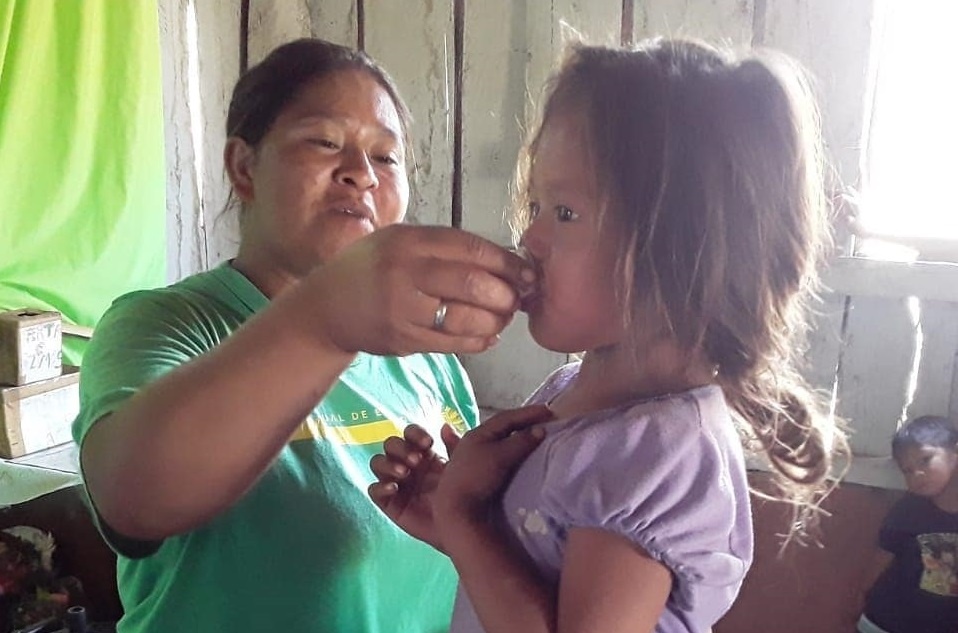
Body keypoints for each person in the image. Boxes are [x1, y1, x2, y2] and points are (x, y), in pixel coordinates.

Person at [369, 38, 847, 633]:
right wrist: (461, 523)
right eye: (534, 205)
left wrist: (468, 518)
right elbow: (540, 577)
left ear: (680, 251)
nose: (531, 240)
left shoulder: (656, 455)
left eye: (565, 213)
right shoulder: (574, 389)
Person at [72, 38, 537, 633]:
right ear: (244, 168)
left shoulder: (428, 362)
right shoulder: (164, 325)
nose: (361, 175)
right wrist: (327, 318)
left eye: (387, 158)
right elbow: (134, 498)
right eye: (324, 142)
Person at [857, 415, 958, 633]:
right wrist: (857, 600)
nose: (917, 474)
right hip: (886, 622)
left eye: (925, 460)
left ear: (955, 454)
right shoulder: (908, 511)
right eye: (907, 470)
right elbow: (879, 562)